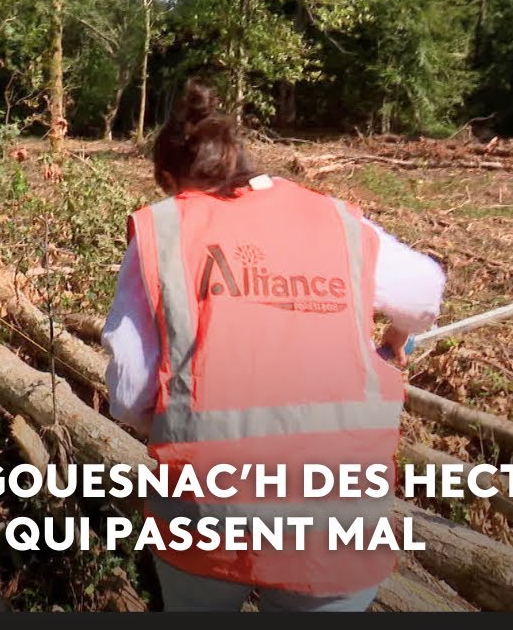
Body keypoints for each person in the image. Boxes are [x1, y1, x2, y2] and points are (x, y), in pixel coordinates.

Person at [101, 79, 445, 612]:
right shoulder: (334, 220)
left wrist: (175, 423)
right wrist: (397, 338)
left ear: (168, 178)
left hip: (206, 516)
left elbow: (129, 391)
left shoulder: (165, 229)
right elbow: (425, 291)